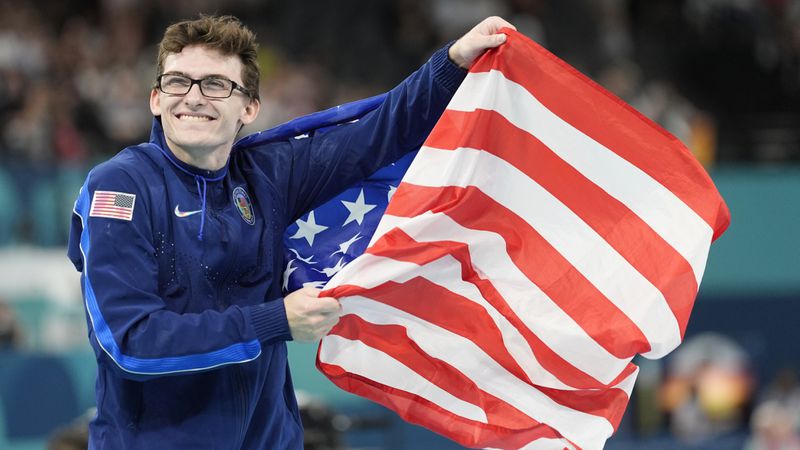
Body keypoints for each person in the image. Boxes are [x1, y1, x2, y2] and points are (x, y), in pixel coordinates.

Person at [67, 13, 515, 449]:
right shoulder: (121, 187)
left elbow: (379, 132)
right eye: (178, 81)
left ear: (250, 107)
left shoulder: (265, 175)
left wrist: (454, 62)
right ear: (155, 98)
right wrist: (275, 320)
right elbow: (131, 343)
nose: (193, 97)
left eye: (216, 85)